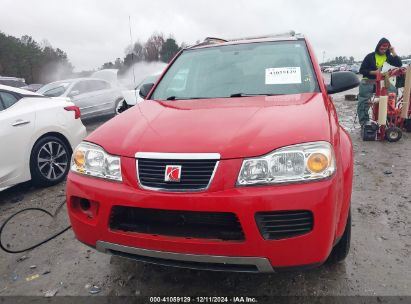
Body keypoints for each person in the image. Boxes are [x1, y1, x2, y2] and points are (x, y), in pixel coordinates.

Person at [357, 38, 402, 126]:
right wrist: (373, 72)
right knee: (364, 101)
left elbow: (399, 64)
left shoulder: (388, 57)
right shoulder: (370, 56)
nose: (383, 50)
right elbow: (361, 70)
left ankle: (388, 117)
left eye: (386, 49)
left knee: (392, 93)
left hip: (382, 81)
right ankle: (364, 123)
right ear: (378, 47)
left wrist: (393, 52)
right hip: (368, 81)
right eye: (382, 48)